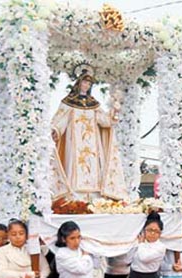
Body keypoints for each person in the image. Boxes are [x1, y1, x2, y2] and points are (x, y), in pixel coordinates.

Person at [51, 68, 127, 201]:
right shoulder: (68, 102)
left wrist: (114, 111)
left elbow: (104, 122)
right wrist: (54, 130)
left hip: (92, 146)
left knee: (93, 168)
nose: (86, 86)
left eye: (89, 84)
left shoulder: (94, 104)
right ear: (79, 83)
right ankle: (73, 198)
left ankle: (94, 198)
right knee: (74, 167)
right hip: (74, 145)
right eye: (85, 83)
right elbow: (60, 120)